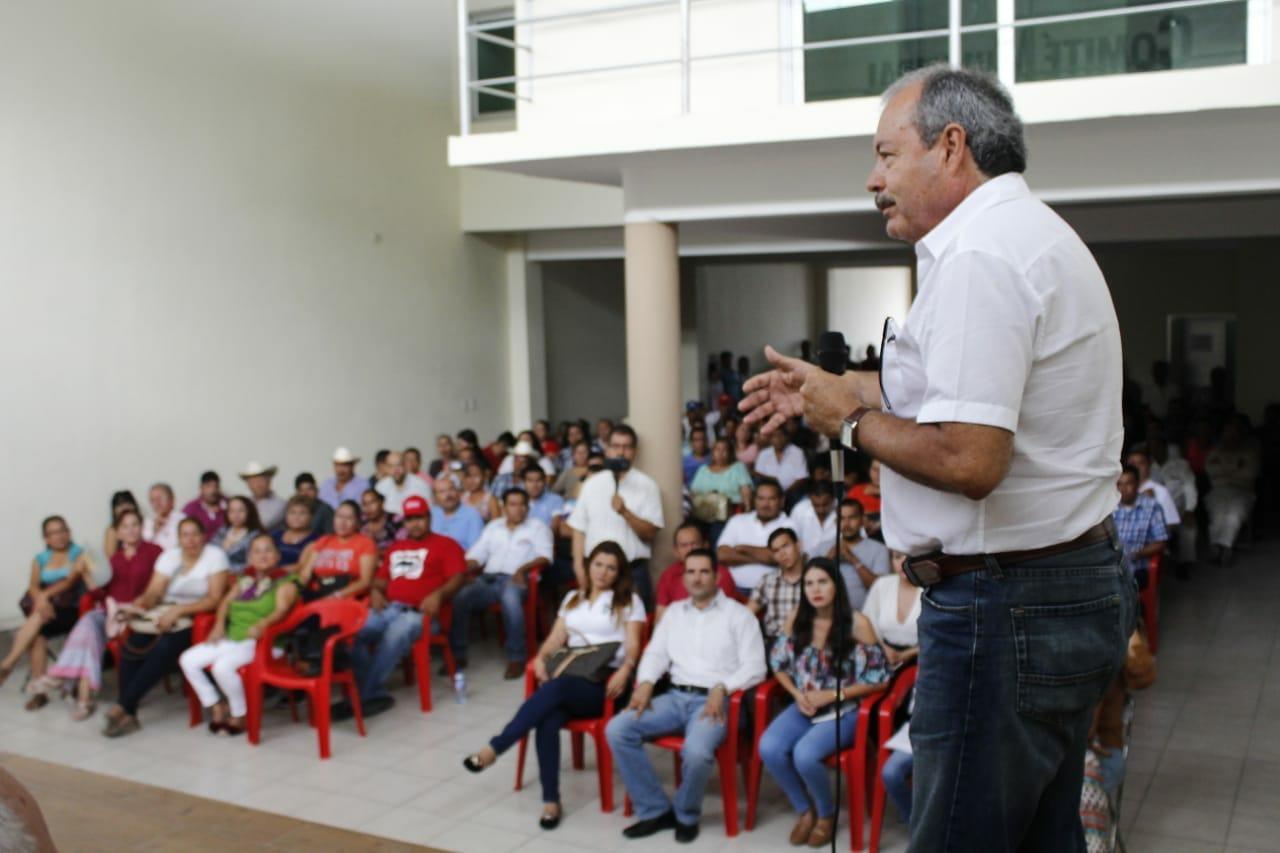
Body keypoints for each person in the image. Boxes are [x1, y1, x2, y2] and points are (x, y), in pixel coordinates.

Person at [741, 66, 1136, 851]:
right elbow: (925, 388)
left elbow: (969, 455)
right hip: (1053, 588)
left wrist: (847, 421)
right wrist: (828, 388)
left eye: (887, 154)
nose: (873, 178)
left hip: (1004, 608)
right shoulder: (1022, 236)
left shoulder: (981, 258)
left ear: (952, 146)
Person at [462, 541, 645, 829]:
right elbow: (555, 639)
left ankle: (495, 747)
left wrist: (627, 669)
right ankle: (551, 801)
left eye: (611, 567)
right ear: (588, 565)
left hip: (603, 685)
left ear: (619, 572)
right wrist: (540, 658)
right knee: (548, 718)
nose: (603, 572)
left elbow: (634, 645)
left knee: (554, 690)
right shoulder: (573, 598)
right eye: (598, 564)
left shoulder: (629, 602)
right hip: (568, 676)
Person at [606, 548, 766, 843]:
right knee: (617, 729)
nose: (697, 578)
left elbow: (756, 667)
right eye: (691, 572)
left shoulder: (739, 615)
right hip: (676, 696)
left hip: (715, 702)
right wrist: (645, 683)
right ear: (684, 577)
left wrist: (723, 687)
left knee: (695, 751)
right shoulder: (675, 613)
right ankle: (654, 810)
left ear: (717, 576)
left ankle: (685, 813)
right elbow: (655, 654)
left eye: (704, 571)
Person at [759, 559, 890, 847]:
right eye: (809, 583)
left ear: (836, 585)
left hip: (845, 710)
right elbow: (778, 663)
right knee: (768, 747)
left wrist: (833, 695)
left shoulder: (857, 623)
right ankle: (804, 810)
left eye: (823, 582)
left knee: (804, 755)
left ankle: (826, 816)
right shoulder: (797, 617)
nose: (815, 589)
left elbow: (880, 679)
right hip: (804, 705)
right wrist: (796, 694)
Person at [338, 495, 465, 718]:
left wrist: (439, 594)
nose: (414, 524)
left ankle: (362, 695)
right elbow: (381, 580)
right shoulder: (397, 548)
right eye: (409, 519)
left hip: (422, 615)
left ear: (429, 518)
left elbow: (458, 577)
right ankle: (371, 691)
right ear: (403, 523)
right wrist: (376, 591)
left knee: (395, 634)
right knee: (353, 631)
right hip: (389, 609)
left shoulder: (446, 545)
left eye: (419, 518)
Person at [103, 518, 229, 737]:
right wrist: (142, 604)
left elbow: (215, 598)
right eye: (185, 535)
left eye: (194, 534)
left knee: (164, 648)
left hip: (196, 616)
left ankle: (123, 705)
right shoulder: (169, 557)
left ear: (203, 536)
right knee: (131, 647)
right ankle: (129, 712)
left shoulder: (214, 556)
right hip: (165, 612)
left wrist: (179, 611)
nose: (190, 540)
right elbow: (154, 590)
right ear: (178, 538)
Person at [44, 510, 162, 720]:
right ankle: (78, 691)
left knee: (88, 631)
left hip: (137, 613)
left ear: (141, 527)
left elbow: (157, 588)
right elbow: (101, 593)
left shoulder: (154, 552)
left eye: (135, 524)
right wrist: (88, 575)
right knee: (89, 623)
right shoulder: (114, 560)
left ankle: (76, 690)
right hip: (110, 613)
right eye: (125, 527)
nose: (131, 530)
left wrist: (139, 604)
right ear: (117, 533)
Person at [178, 534, 299, 735]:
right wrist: (218, 625)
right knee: (188, 659)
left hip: (264, 643)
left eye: (268, 550)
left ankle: (240, 713)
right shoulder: (245, 579)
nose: (263, 556)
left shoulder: (285, 581)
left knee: (222, 667)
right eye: (257, 551)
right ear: (250, 558)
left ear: (277, 556)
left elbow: (281, 610)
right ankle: (215, 705)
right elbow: (225, 602)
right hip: (234, 639)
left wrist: (263, 623)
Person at [451, 489, 553, 679]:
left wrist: (523, 569)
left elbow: (545, 557)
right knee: (461, 595)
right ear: (504, 507)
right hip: (489, 579)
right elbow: (477, 554)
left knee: (510, 598)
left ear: (528, 507)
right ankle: (457, 655)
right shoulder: (493, 526)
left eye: (522, 504)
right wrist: (464, 569)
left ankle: (516, 658)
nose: (518, 509)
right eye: (513, 504)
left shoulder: (537, 527)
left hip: (517, 580)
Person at [0, 517, 93, 710]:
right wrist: (42, 600)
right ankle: (39, 692)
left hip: (71, 607)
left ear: (68, 532)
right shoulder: (40, 558)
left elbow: (69, 581)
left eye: (62, 530)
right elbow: (33, 586)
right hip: (47, 609)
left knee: (37, 621)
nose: (59, 536)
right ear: (46, 538)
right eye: (53, 532)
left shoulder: (79, 553)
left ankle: (8, 663)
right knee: (37, 636)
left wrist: (44, 597)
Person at [567, 424, 664, 608]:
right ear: (607, 450)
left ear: (635, 452)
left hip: (632, 570)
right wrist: (579, 567)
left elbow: (651, 533)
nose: (621, 452)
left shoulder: (648, 486)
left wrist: (625, 513)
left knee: (638, 629)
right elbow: (579, 529)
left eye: (627, 447)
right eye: (616, 446)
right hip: (595, 571)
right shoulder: (591, 484)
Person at [715, 478, 790, 597]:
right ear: (754, 500)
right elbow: (722, 555)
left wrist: (743, 548)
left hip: (773, 592)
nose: (765, 504)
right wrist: (764, 557)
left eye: (771, 499)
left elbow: (780, 557)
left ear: (782, 501)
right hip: (734, 590)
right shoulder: (737, 520)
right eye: (761, 498)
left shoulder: (789, 524)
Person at [653, 523, 738, 624]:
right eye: (684, 545)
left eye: (694, 544)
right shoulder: (668, 576)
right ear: (676, 551)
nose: (690, 549)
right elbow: (660, 620)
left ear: (705, 545)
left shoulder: (719, 573)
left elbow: (728, 615)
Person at [1204, 415, 1260, 565]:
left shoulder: (1249, 452)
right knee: (1218, 514)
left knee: (1234, 515)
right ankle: (1217, 548)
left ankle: (1225, 547)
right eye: (1227, 432)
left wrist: (1223, 470)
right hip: (1218, 491)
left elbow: (1249, 475)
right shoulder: (1215, 451)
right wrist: (1236, 469)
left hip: (1243, 491)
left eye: (1234, 432)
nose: (1230, 436)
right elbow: (1210, 472)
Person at [296, 501, 378, 601]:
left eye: (348, 518)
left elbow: (365, 582)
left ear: (357, 522)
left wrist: (336, 596)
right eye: (339, 516)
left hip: (346, 596)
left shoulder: (365, 543)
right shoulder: (323, 541)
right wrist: (296, 590)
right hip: (318, 592)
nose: (342, 522)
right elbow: (305, 574)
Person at [747, 528, 806, 649]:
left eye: (786, 546)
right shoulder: (768, 580)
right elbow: (747, 613)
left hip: (806, 643)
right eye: (776, 551)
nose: (782, 554)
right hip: (774, 644)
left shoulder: (814, 577)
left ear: (798, 545)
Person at [862, 551, 922, 667]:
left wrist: (908, 654)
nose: (903, 563)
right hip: (882, 657)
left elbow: (941, 636)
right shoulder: (882, 584)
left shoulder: (930, 589)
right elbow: (867, 623)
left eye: (910, 557)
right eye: (897, 557)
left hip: (921, 661)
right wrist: (882, 648)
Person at [1113, 465, 1168, 590]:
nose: (1123, 489)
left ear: (1137, 484)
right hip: (1111, 567)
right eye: (1119, 484)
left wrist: (1135, 555)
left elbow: (1161, 542)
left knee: (1122, 588)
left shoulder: (1151, 507)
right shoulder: (1110, 507)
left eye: (1128, 484)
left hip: (1138, 566)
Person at [833, 500, 891, 611]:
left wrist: (853, 559)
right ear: (836, 521)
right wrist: (827, 560)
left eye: (852, 518)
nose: (846, 524)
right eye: (842, 518)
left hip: (867, 617)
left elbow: (880, 588)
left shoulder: (879, 549)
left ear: (862, 520)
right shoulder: (823, 547)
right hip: (831, 620)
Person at [689, 437, 754, 534]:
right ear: (713, 452)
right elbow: (693, 492)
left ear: (730, 452)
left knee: (717, 528)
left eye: (724, 450)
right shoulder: (703, 470)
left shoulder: (737, 467)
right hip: (703, 513)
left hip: (729, 514)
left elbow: (746, 491)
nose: (720, 453)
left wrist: (748, 513)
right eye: (717, 449)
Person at [211, 496, 263, 574]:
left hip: (241, 577)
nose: (236, 515)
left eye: (241, 510)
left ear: (249, 512)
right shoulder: (222, 531)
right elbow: (211, 553)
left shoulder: (255, 536)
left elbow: (254, 564)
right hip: (215, 574)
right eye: (232, 511)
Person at [430, 477, 485, 552]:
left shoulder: (472, 515)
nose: (448, 495)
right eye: (442, 492)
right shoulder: (431, 514)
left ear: (458, 492)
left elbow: (476, 551)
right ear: (435, 497)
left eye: (451, 489)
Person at [788, 481, 838, 560]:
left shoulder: (844, 510)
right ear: (810, 499)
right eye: (816, 505)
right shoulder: (799, 510)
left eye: (825, 504)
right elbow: (790, 538)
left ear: (833, 499)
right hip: (804, 562)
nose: (821, 510)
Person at [755, 430, 810, 501]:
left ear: (787, 438)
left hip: (792, 492)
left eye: (781, 436)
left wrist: (785, 493)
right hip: (769, 492)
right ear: (770, 439)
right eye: (775, 436)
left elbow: (802, 478)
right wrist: (772, 481)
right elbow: (759, 474)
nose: (778, 439)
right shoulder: (764, 454)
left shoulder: (797, 452)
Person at [271, 496, 319, 574]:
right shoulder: (275, 535)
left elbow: (301, 566)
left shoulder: (315, 539)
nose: (296, 517)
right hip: (270, 577)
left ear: (311, 516)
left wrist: (273, 572)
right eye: (292, 512)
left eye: (302, 513)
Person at [376, 450, 431, 516]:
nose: (395, 470)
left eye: (398, 465)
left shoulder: (421, 485)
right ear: (387, 468)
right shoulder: (380, 487)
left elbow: (429, 513)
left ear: (405, 465)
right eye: (391, 466)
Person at [240, 461, 285, 532]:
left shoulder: (279, 504)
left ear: (269, 481)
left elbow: (262, 525)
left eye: (261, 480)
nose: (258, 485)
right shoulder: (245, 502)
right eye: (253, 481)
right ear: (248, 484)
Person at [182, 471, 227, 537]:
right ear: (201, 488)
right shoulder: (191, 508)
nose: (213, 490)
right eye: (208, 486)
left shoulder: (229, 504)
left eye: (216, 486)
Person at [846, 459, 884, 539]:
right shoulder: (856, 491)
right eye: (875, 470)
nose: (878, 474)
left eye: (882, 470)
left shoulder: (894, 495)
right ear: (869, 470)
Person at [360, 487, 401, 559]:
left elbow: (403, 546)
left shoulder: (395, 519)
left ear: (381, 502)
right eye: (364, 504)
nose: (368, 507)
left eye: (372, 502)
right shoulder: (361, 523)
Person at [143, 483, 181, 550]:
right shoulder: (147, 522)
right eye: (153, 500)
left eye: (160, 498)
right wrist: (154, 530)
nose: (157, 503)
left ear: (171, 499)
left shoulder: (182, 520)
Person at [103, 490, 140, 556]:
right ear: (114, 510)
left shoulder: (145, 523)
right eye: (119, 504)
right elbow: (111, 557)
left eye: (127, 503)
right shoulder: (112, 530)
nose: (124, 507)